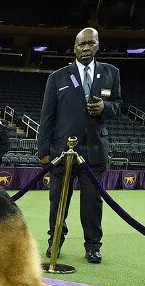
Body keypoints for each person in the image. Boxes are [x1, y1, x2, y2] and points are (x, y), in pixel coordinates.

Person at [37, 27, 122, 264]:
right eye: (81, 44)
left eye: (90, 43)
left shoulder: (111, 73)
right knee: (58, 201)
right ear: (74, 48)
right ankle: (55, 239)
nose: (86, 48)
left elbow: (118, 105)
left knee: (92, 202)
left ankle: (93, 246)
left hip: (94, 151)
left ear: (97, 45)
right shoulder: (58, 77)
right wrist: (43, 150)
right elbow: (47, 117)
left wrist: (107, 108)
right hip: (62, 152)